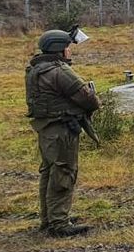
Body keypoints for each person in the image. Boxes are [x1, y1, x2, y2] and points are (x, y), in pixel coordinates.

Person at [25, 28, 100, 237]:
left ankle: (49, 219)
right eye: (67, 47)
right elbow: (87, 99)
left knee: (49, 172)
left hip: (45, 128)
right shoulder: (59, 71)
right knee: (64, 172)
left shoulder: (35, 69)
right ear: (59, 49)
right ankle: (59, 224)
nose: (69, 50)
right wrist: (93, 99)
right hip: (62, 129)